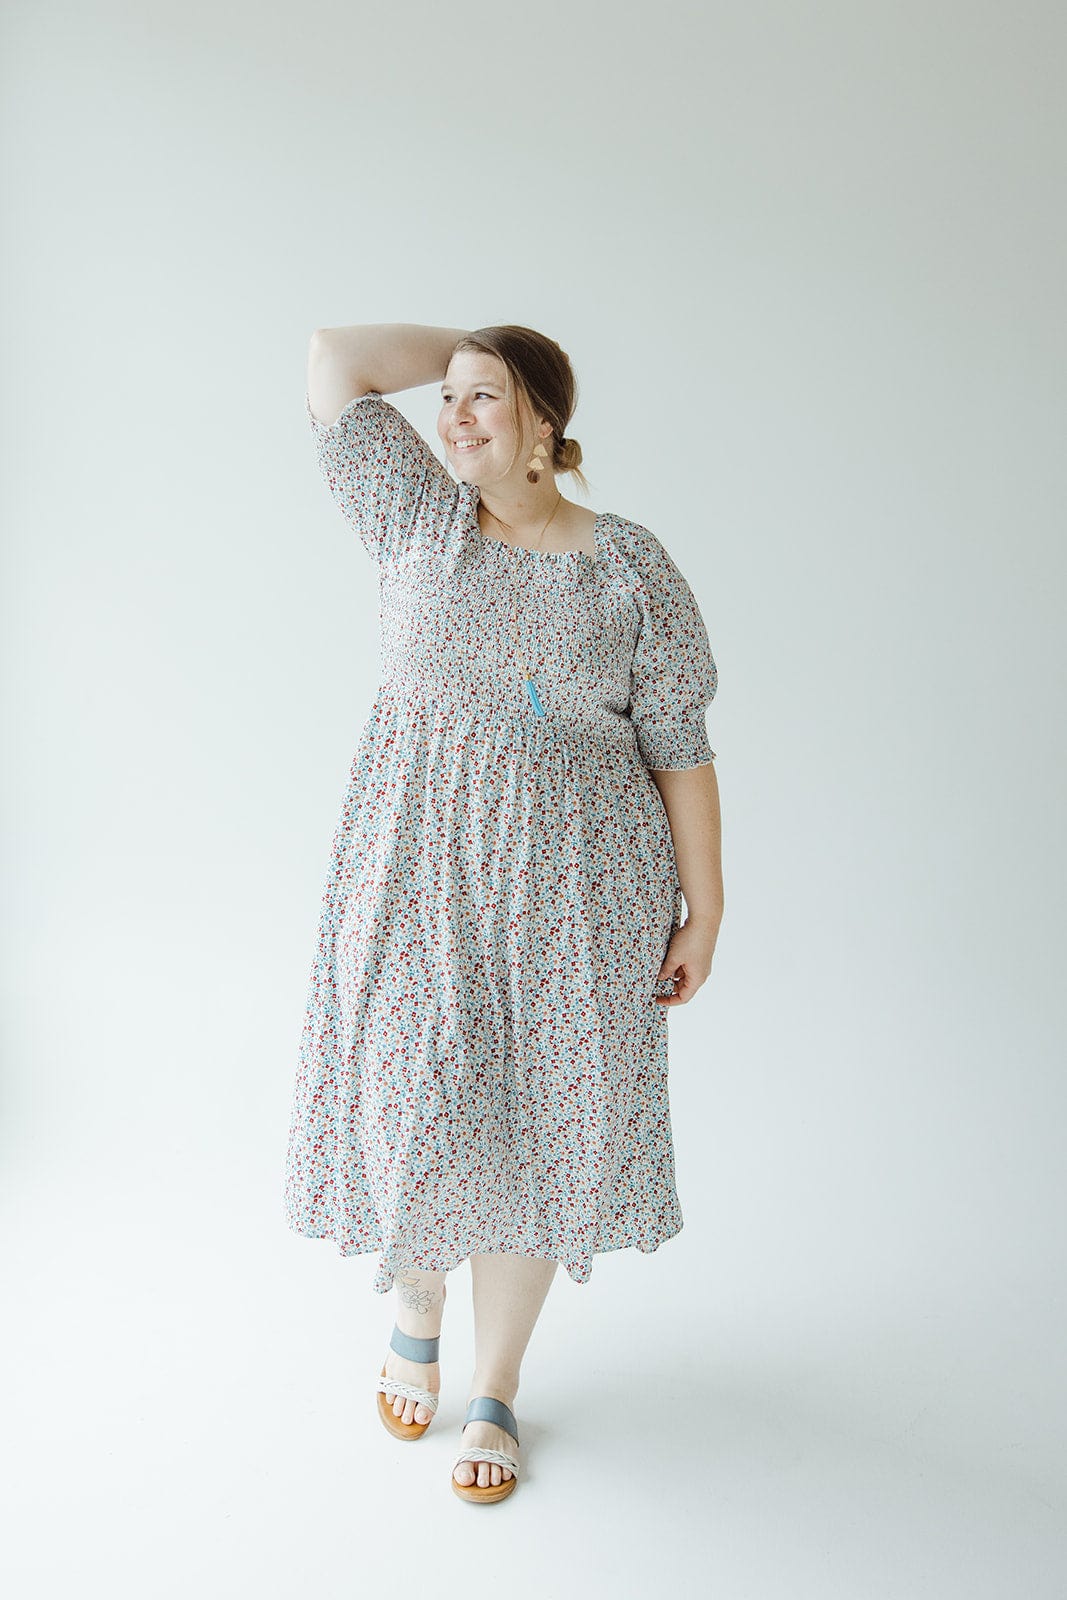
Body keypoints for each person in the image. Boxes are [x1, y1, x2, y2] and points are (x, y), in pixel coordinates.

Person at [283, 321, 724, 1504]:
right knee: (413, 1093)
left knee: (537, 1131)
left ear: (546, 422)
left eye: (488, 398)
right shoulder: (417, 519)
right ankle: (415, 1303)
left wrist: (705, 907)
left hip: (580, 900)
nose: (455, 415)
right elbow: (334, 360)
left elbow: (676, 744)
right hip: (417, 877)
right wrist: (468, 341)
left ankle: (495, 1388)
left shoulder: (627, 566)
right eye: (452, 399)